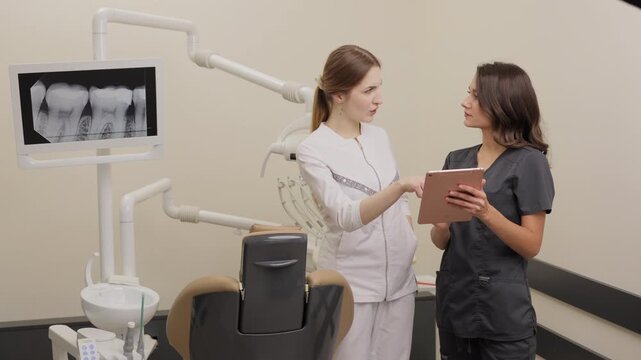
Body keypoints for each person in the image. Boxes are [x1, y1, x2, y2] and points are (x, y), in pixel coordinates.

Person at [296, 44, 423, 360]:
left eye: (379, 87)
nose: (379, 98)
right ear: (339, 95)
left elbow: (399, 203)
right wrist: (401, 187)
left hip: (399, 283)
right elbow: (343, 216)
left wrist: (406, 236)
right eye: (369, 90)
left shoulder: (379, 137)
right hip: (353, 285)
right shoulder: (313, 149)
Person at [430, 62, 555, 359]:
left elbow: (532, 244)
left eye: (476, 95)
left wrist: (487, 213)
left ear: (502, 103)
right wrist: (441, 227)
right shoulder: (456, 159)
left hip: (502, 316)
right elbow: (442, 243)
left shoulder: (529, 162)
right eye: (468, 93)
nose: (465, 102)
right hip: (454, 306)